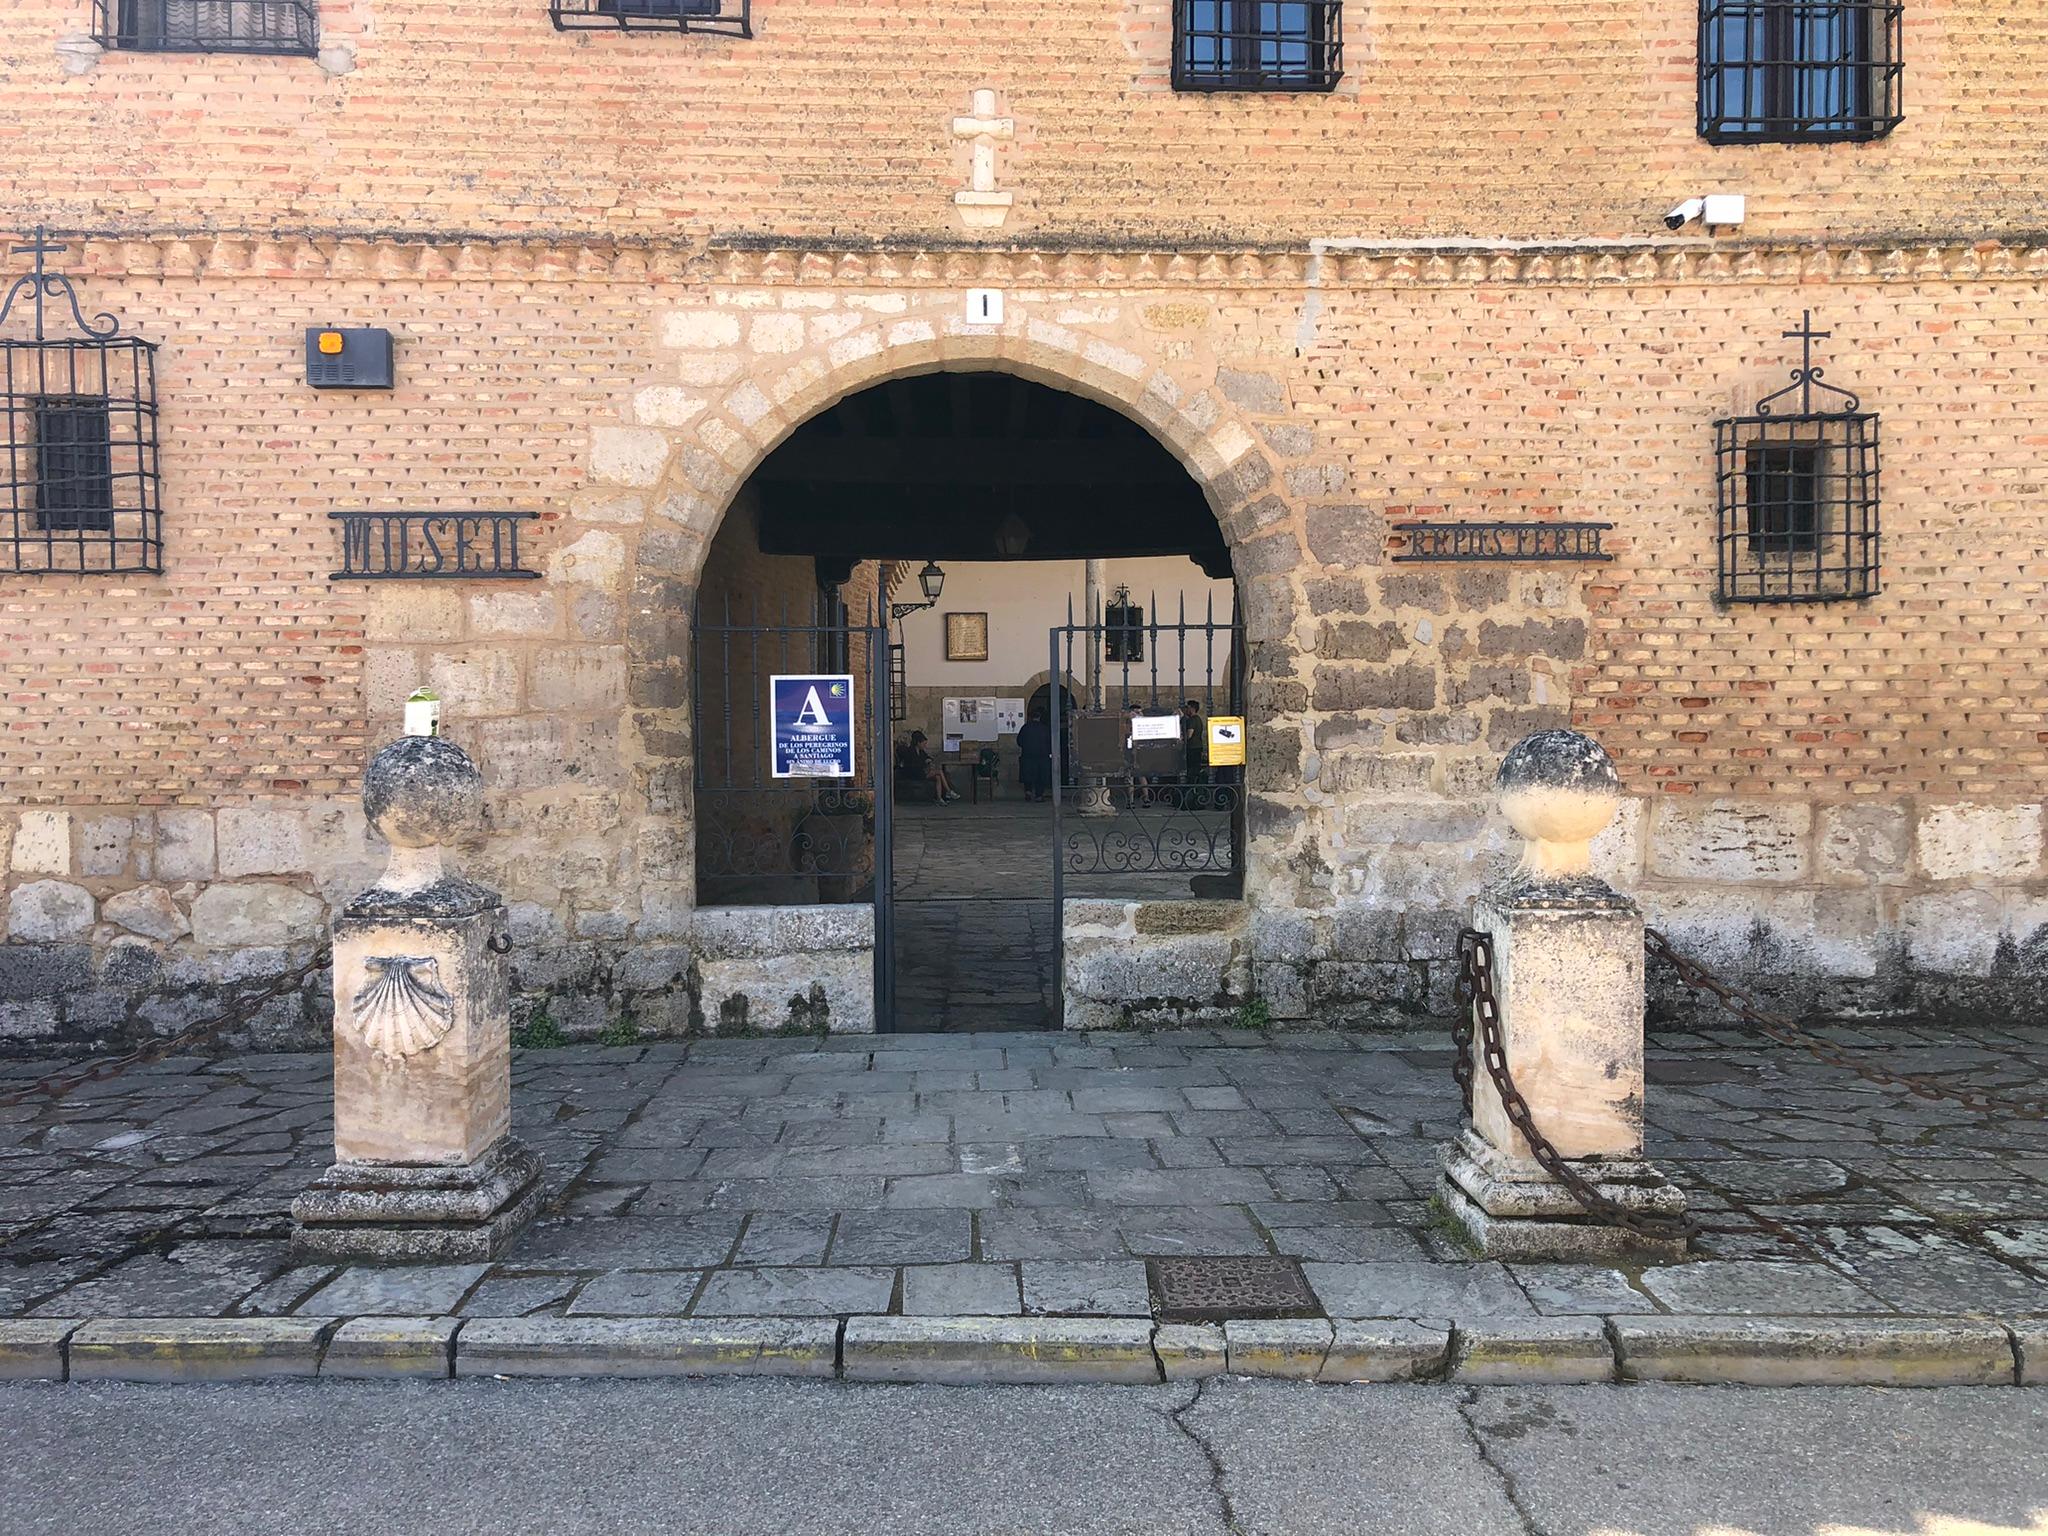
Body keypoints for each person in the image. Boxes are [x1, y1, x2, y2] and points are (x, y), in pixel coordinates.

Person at [897, 730, 960, 802]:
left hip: (920, 772)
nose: (925, 746)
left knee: (938, 777)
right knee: (939, 771)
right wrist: (925, 764)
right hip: (914, 774)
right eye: (923, 744)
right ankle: (948, 791)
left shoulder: (921, 751)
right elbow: (914, 765)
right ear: (918, 743)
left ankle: (939, 798)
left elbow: (927, 757)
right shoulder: (910, 752)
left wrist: (929, 760)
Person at [1017, 705, 1053, 802]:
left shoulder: (1025, 728)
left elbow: (1019, 741)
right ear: (1039, 717)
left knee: (1027, 774)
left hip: (1028, 755)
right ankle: (1039, 795)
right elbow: (1050, 742)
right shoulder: (1044, 728)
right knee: (1040, 776)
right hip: (1042, 756)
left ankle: (1028, 792)